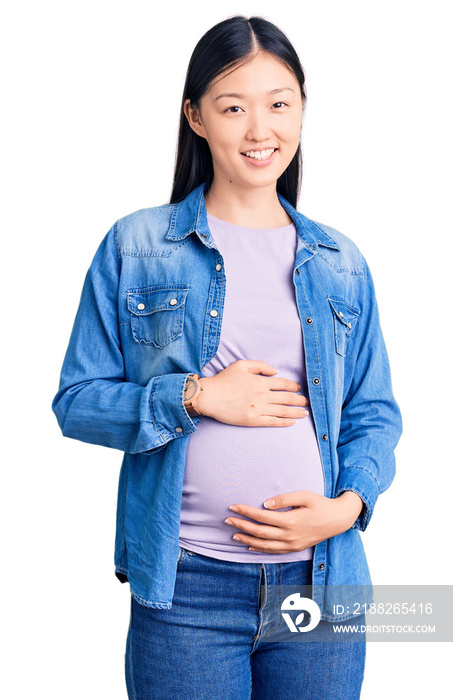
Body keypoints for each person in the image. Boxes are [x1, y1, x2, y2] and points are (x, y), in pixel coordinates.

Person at [52, 14, 403, 700]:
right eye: (233, 107)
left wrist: (349, 506)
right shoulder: (137, 245)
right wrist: (194, 395)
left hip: (320, 581)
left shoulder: (340, 262)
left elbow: (374, 409)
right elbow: (76, 402)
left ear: (302, 108)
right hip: (187, 585)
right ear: (196, 117)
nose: (259, 129)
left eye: (278, 104)